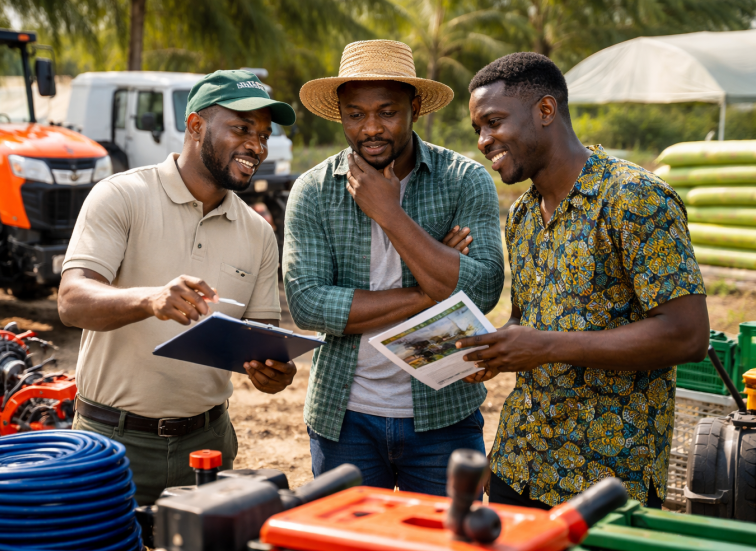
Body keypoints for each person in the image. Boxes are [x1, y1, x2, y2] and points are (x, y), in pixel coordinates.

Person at [460, 52, 709, 509]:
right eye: (478, 128)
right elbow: (527, 322)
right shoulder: (522, 215)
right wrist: (499, 348)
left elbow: (688, 335)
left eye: (493, 122)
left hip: (606, 482)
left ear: (545, 110)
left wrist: (546, 346)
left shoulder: (633, 198)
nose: (483, 140)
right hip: (520, 465)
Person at [57, 70, 298, 505]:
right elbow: (72, 301)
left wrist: (272, 374)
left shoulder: (259, 233)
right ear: (195, 125)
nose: (257, 146)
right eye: (242, 129)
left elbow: (261, 341)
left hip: (208, 446)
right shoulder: (121, 196)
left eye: (263, 135)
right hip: (111, 443)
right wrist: (149, 299)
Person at [284, 40, 504, 496]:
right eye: (355, 114)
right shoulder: (314, 191)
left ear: (414, 108)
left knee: (447, 534)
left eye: (387, 112)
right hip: (344, 416)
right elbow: (308, 304)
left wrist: (390, 213)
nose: (370, 128)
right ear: (339, 114)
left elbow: (482, 289)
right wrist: (433, 285)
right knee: (351, 535)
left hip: (444, 414)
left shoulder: (464, 180)